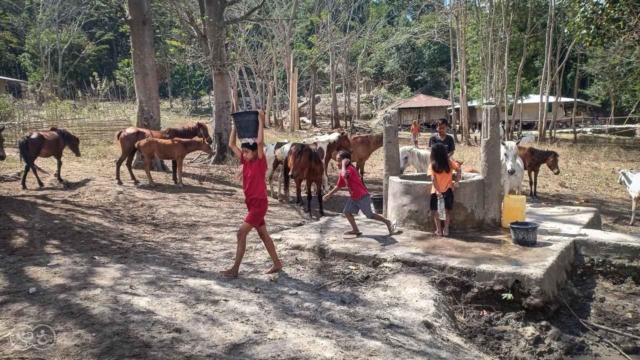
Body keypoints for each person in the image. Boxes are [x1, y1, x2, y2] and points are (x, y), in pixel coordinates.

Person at [224, 110, 283, 278]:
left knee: (241, 233)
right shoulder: (245, 161)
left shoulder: (260, 162)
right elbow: (231, 145)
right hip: (250, 203)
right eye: (243, 152)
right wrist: (235, 127)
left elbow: (260, 142)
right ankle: (277, 263)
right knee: (263, 235)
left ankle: (235, 269)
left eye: (246, 152)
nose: (243, 154)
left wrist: (260, 120)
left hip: (259, 204)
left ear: (255, 153)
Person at [323, 151, 398, 236]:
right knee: (347, 212)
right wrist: (329, 194)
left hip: (362, 196)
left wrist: (343, 164)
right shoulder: (342, 171)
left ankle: (387, 222)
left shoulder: (349, 169)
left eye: (340, 160)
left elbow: (345, 175)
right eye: (337, 160)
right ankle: (355, 230)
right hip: (354, 197)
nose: (338, 163)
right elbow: (339, 186)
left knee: (369, 215)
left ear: (346, 161)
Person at [428, 143, 460, 237]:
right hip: (448, 190)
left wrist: (437, 191)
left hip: (436, 192)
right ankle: (446, 230)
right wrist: (456, 181)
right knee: (446, 211)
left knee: (436, 212)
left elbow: (433, 179)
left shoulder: (432, 165)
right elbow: (459, 170)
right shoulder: (449, 163)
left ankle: (439, 230)